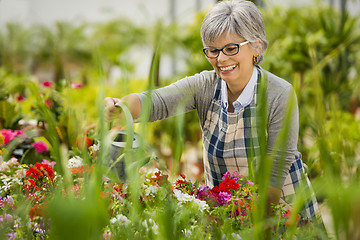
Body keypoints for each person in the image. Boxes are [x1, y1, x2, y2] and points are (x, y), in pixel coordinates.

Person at [104, 0, 320, 221]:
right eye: (213, 51)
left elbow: (276, 168)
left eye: (231, 48)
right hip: (227, 214)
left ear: (256, 46)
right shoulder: (205, 86)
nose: (221, 59)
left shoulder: (279, 93)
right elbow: (158, 101)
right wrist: (121, 107)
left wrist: (251, 223)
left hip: (281, 210)